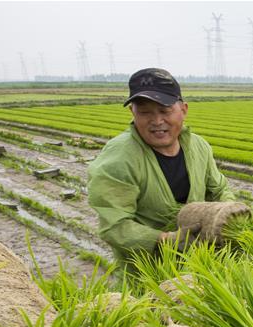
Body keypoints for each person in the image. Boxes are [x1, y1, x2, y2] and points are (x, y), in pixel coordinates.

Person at [87, 67, 235, 263]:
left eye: (165, 111)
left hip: (201, 265)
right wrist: (167, 240)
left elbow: (218, 190)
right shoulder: (119, 158)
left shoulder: (199, 146)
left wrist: (231, 213)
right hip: (147, 273)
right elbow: (114, 227)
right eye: (145, 112)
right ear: (132, 112)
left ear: (183, 110)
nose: (157, 121)